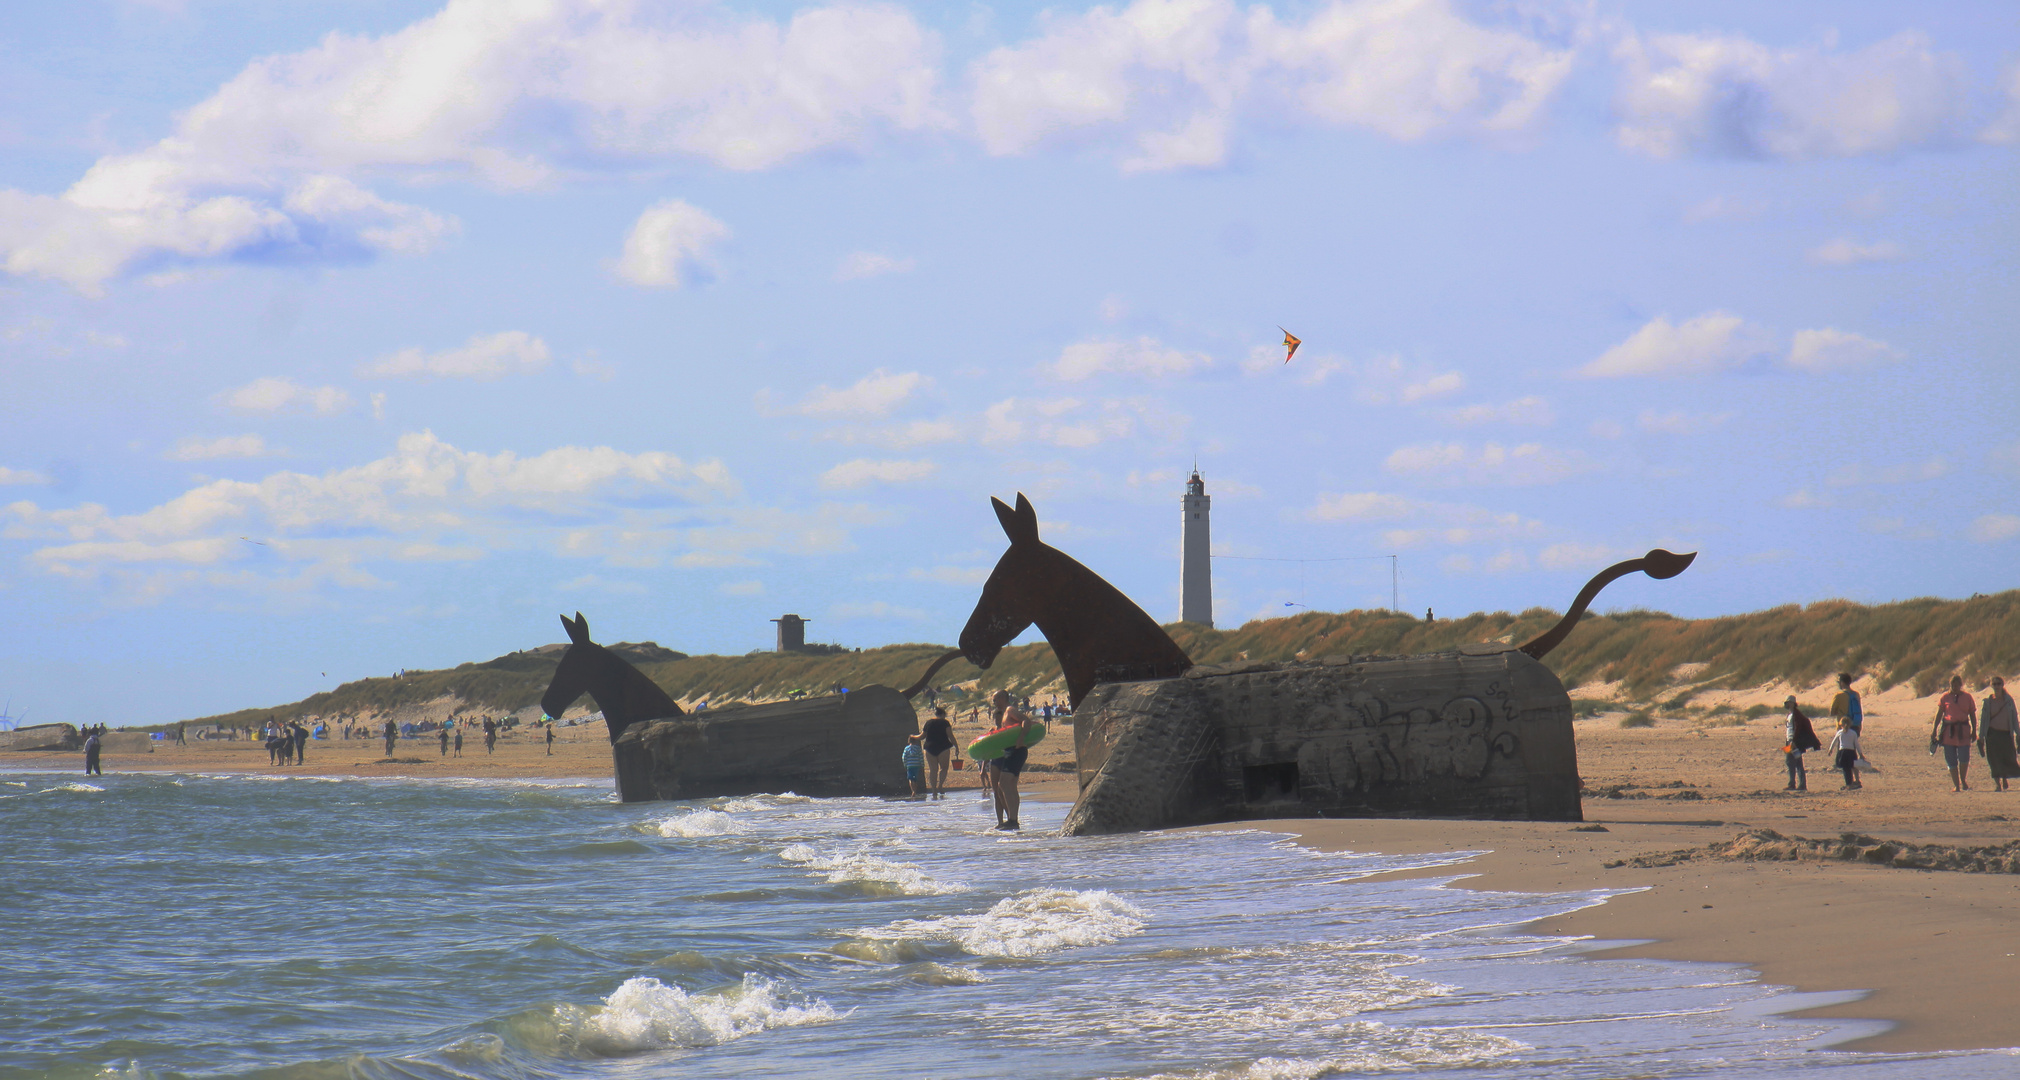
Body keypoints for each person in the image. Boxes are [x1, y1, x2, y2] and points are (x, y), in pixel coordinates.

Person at [989, 689, 1041, 831]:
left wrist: (1021, 736)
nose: (994, 703)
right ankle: (1013, 820)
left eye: (995, 700)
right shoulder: (1005, 713)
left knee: (1004, 783)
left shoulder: (1010, 710)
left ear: (1001, 698)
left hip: (1017, 750)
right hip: (1011, 751)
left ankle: (1013, 820)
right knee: (1008, 785)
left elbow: (1026, 720)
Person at [1933, 675, 1978, 791]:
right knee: (1950, 759)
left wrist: (1974, 730)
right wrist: (1934, 730)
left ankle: (1963, 781)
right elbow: (1939, 715)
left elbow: (1972, 714)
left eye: (1957, 685)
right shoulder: (1945, 697)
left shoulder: (1968, 697)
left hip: (1963, 730)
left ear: (1960, 685)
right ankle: (1956, 785)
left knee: (1964, 758)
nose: (1955, 687)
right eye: (1953, 685)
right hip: (1948, 731)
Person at [1980, 676, 2019, 793]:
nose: (1996, 686)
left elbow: (2014, 718)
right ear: (1991, 686)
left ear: (2002, 685)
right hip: (1992, 735)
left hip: (2006, 735)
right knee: (1994, 760)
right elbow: (1983, 720)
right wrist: (1981, 736)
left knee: (2008, 758)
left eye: (1998, 684)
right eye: (1994, 684)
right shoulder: (1988, 702)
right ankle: (1998, 784)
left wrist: (2018, 733)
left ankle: (2005, 777)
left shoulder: (2008, 701)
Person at [1781, 696, 1821, 791]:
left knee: (1790, 761)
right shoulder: (1790, 714)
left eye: (1789, 702)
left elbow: (1797, 728)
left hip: (1793, 742)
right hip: (1789, 741)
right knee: (1797, 762)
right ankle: (1801, 784)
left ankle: (1793, 784)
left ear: (1793, 703)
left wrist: (1794, 741)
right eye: (1786, 702)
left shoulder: (1796, 714)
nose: (1787, 704)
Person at [921, 707, 955, 798]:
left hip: (929, 748)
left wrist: (913, 737)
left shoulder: (928, 722)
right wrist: (956, 746)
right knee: (944, 768)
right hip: (943, 747)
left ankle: (934, 790)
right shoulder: (945, 722)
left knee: (933, 770)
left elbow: (922, 736)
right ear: (943, 714)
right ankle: (940, 786)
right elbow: (950, 735)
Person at [1826, 718, 1863, 789]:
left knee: (1846, 769)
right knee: (1853, 766)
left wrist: (1830, 749)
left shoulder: (1840, 732)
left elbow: (1834, 741)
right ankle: (1855, 782)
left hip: (1843, 752)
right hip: (1851, 752)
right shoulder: (1853, 733)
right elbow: (1856, 744)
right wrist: (1860, 753)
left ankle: (1849, 784)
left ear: (1841, 724)